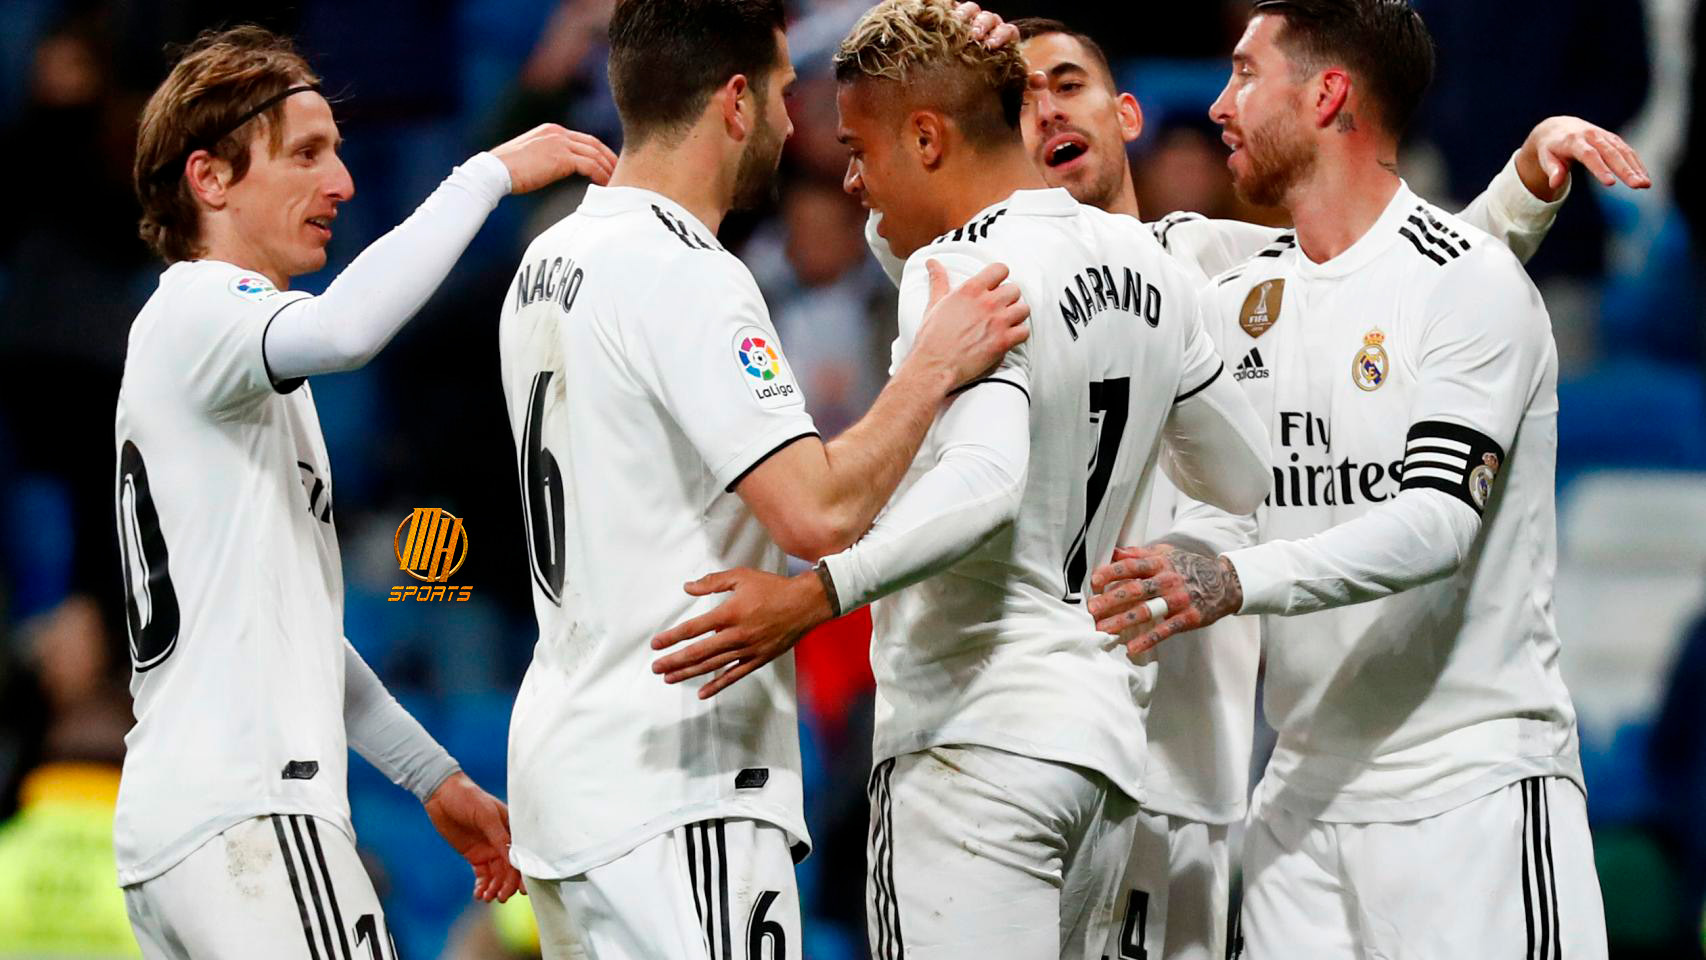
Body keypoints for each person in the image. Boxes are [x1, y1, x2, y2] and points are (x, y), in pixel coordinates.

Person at [990, 14, 1646, 960]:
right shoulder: (1238, 303)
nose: (1219, 106)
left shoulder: (1470, 282)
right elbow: (1226, 505)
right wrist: (1163, 570)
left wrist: (1230, 579)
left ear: (1326, 94)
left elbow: (1434, 522)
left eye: (1244, 74)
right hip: (1296, 817)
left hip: (1468, 798)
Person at [648, 0, 1273, 954]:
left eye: (860, 148)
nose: (852, 181)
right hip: (1101, 757)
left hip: (970, 742)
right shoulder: (1149, 266)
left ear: (927, 138)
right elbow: (1239, 472)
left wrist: (813, 597)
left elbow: (984, 482)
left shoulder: (963, 272)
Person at [493, 1, 1031, 956]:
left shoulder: (550, 256)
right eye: (784, 95)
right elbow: (816, 512)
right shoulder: (687, 271)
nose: (792, 122)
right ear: (735, 103)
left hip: (567, 777)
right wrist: (931, 369)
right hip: (677, 782)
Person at [114, 25, 616, 958]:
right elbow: (348, 330)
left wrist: (432, 776)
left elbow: (293, 628)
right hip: (254, 812)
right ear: (209, 179)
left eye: (338, 154)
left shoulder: (220, 360)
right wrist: (485, 176)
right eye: (306, 154)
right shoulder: (202, 307)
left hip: (187, 831)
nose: (341, 183)